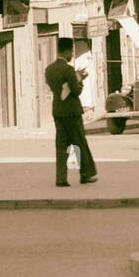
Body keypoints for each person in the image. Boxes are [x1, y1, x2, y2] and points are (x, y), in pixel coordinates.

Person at [46, 38, 97, 187]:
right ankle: (86, 174)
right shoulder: (68, 69)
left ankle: (61, 178)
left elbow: (57, 88)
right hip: (72, 112)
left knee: (61, 145)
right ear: (67, 51)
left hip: (58, 111)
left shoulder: (49, 69)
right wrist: (80, 80)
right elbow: (75, 91)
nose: (72, 55)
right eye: (72, 52)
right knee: (79, 143)